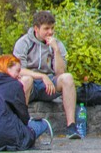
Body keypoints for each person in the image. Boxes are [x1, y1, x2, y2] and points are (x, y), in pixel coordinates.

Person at [12, 10, 81, 138]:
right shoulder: (23, 43)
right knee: (26, 80)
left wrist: (56, 50)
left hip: (48, 86)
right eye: (46, 29)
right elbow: (19, 70)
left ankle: (71, 127)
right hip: (30, 84)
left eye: (52, 28)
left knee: (68, 78)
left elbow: (60, 72)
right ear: (36, 29)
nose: (50, 32)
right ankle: (21, 125)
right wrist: (41, 76)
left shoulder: (57, 44)